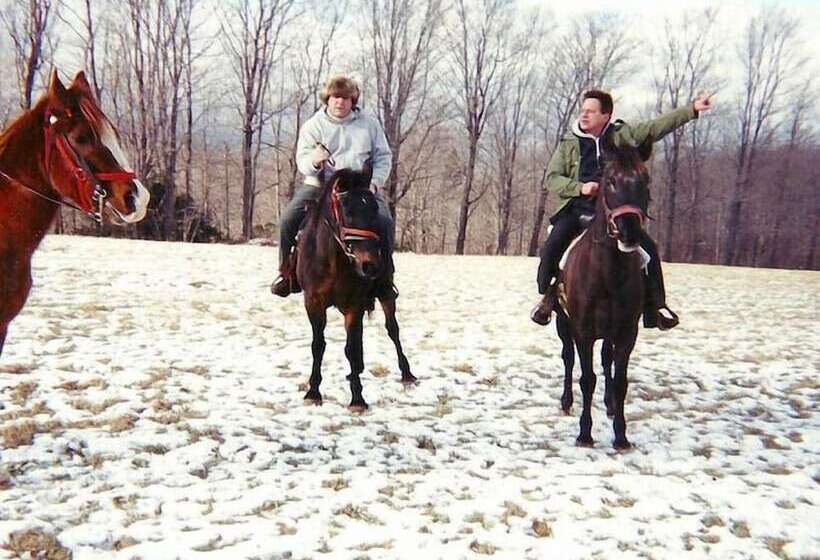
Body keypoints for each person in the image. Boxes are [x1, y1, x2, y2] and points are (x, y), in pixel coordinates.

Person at [531, 89, 714, 329]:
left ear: (605, 115)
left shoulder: (621, 135)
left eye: (591, 111)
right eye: (583, 110)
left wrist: (691, 110)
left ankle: (655, 306)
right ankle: (547, 298)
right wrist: (580, 187)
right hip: (576, 210)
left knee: (648, 251)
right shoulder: (569, 143)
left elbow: (653, 128)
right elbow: (551, 179)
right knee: (552, 247)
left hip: (612, 213)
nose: (584, 115)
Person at [271, 74, 397, 300]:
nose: (340, 102)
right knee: (287, 221)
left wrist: (375, 184)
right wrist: (314, 161)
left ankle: (385, 278)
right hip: (320, 186)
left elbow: (383, 157)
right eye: (335, 97)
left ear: (353, 101)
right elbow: (303, 161)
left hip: (360, 188)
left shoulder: (369, 124)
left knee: (385, 221)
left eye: (346, 98)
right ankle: (286, 273)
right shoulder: (313, 126)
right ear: (327, 99)